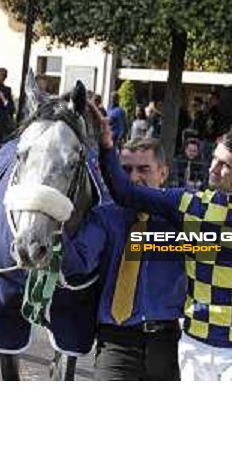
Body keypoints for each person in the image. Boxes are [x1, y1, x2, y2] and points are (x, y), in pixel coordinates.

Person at [91, 102, 232, 381]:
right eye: (215, 158)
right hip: (193, 346)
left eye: (225, 164)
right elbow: (125, 192)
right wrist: (107, 146)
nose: (213, 168)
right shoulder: (187, 204)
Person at [61, 137, 186, 380]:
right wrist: (58, 230)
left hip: (167, 344)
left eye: (143, 169)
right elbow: (78, 264)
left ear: (163, 173)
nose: (133, 178)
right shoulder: (105, 216)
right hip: (115, 344)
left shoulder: (182, 215)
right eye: (126, 169)